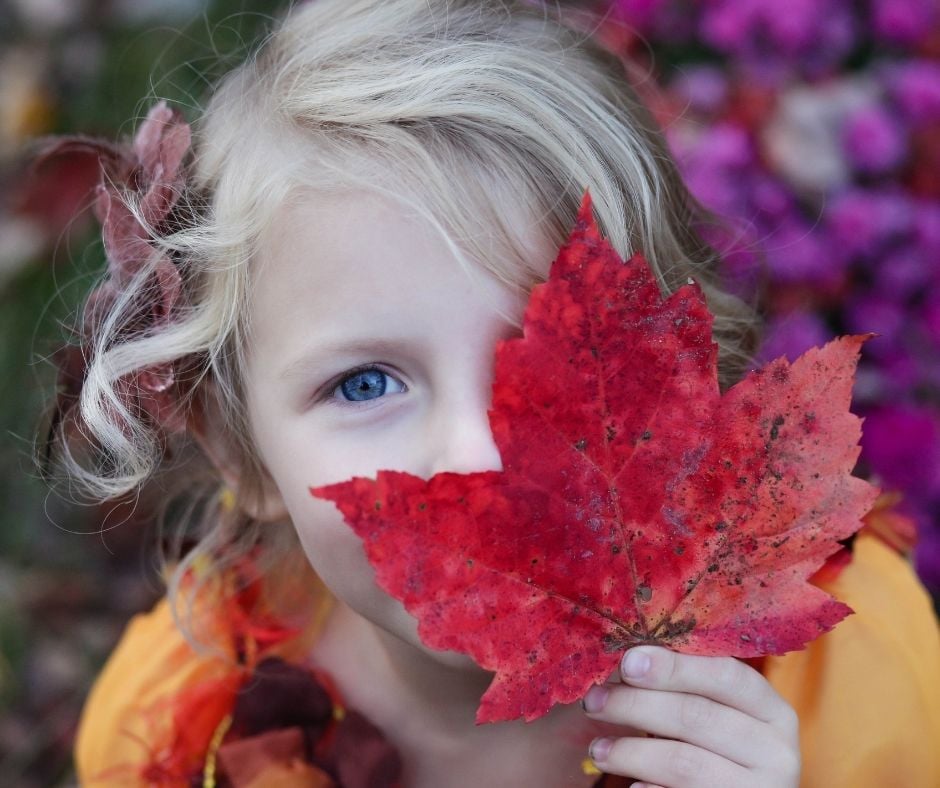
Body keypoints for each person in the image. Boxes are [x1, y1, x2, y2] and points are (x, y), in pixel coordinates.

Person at [36, 0, 940, 785]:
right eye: (366, 382)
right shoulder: (175, 733)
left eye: (545, 360)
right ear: (239, 448)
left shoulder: (844, 682)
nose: (478, 453)